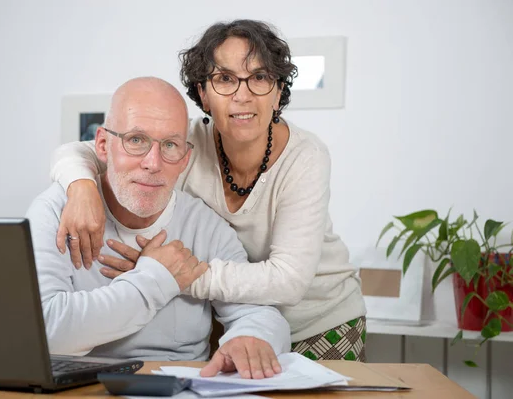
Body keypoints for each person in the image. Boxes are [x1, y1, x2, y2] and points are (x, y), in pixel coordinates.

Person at [50, 19, 367, 362]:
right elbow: (87, 149)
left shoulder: (306, 157)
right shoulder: (181, 143)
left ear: (278, 93)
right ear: (203, 93)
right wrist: (81, 187)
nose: (242, 95)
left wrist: (170, 273)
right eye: (225, 79)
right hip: (233, 317)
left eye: (259, 77)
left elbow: (288, 281)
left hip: (317, 319)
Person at [26, 77, 290, 379]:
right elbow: (44, 332)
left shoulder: (205, 225)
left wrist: (252, 336)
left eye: (170, 145)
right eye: (136, 140)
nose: (153, 163)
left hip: (183, 386)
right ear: (102, 144)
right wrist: (156, 278)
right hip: (82, 386)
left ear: (184, 159)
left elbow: (259, 312)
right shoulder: (54, 211)